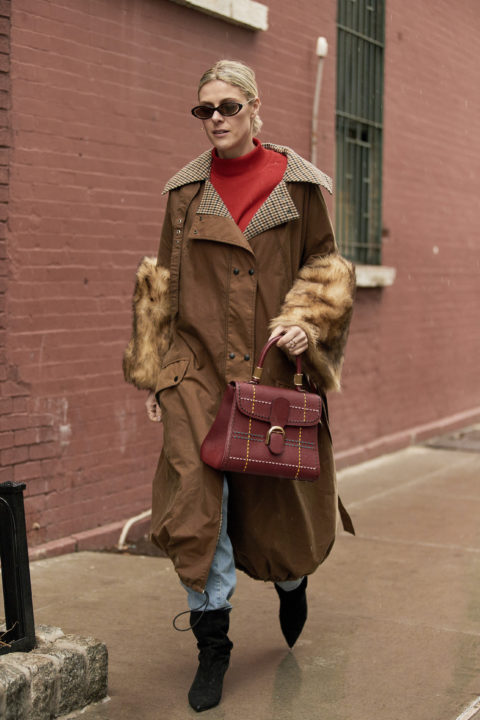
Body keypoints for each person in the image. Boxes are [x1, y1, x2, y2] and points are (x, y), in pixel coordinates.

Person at [123, 59, 355, 712]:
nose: (216, 120)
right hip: (196, 374)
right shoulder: (185, 193)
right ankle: (213, 643)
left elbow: (326, 264)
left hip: (271, 368)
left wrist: (310, 322)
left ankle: (292, 583)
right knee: (197, 507)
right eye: (204, 110)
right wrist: (157, 371)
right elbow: (163, 279)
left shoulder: (301, 185)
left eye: (227, 107)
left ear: (255, 108)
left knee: (278, 509)